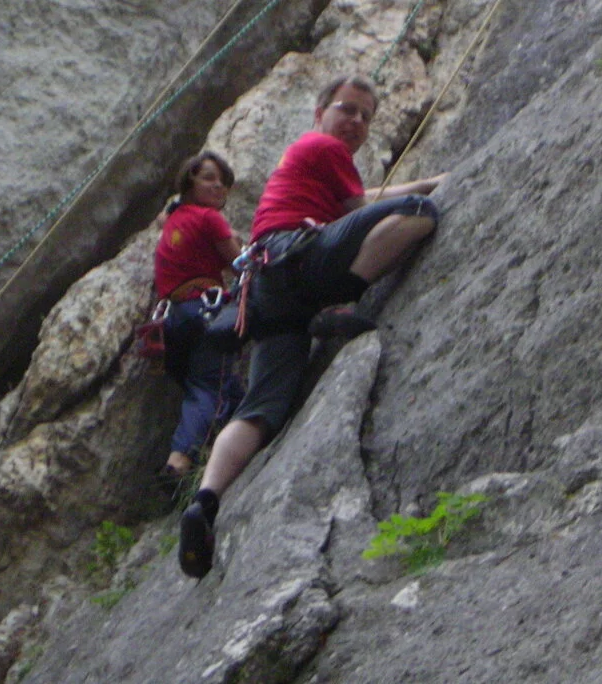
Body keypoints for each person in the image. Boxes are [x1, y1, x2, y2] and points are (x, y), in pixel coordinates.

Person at [179, 75, 444, 578]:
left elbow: (363, 196)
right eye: (348, 109)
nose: (357, 123)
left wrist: (428, 177)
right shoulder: (321, 145)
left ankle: (205, 502)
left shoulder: (312, 160)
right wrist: (429, 189)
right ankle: (338, 303)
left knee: (262, 410)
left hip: (270, 292)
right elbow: (366, 209)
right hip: (296, 259)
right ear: (319, 113)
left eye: (366, 117)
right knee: (418, 212)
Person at [153, 151, 245, 492]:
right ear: (190, 181)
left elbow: (167, 214)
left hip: (174, 319)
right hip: (206, 311)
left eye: (223, 181)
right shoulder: (209, 219)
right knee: (207, 386)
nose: (218, 185)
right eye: (208, 177)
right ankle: (179, 462)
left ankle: (231, 444)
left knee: (227, 391)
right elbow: (242, 265)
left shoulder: (175, 217)